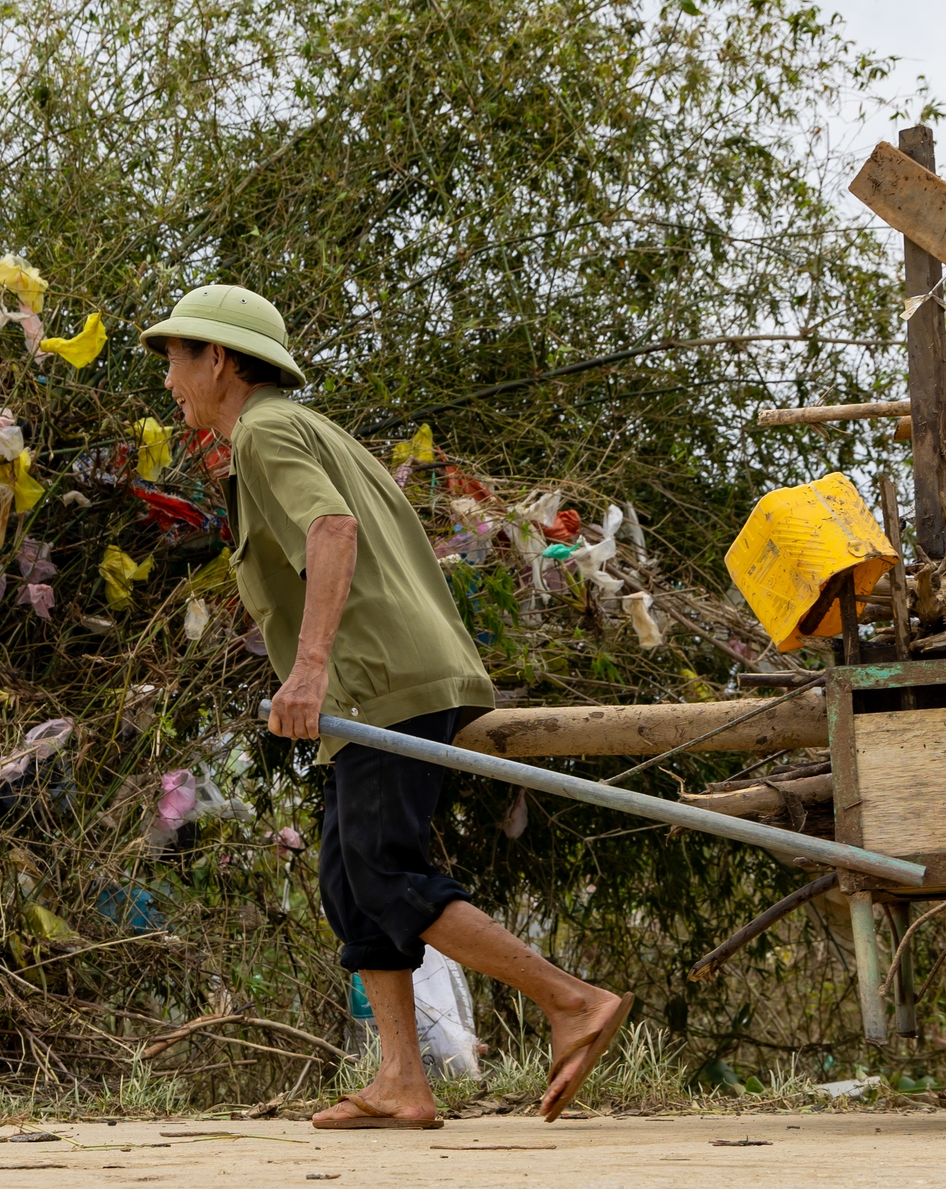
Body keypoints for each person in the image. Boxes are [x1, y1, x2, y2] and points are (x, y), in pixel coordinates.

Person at [141, 283, 633, 1130]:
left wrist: (308, 670)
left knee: (383, 868)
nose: (169, 384)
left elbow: (331, 532)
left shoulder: (265, 430)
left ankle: (573, 1000)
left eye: (177, 362)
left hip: (379, 678)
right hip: (380, 678)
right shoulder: (302, 429)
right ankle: (403, 1080)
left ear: (217, 360)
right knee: (349, 882)